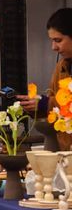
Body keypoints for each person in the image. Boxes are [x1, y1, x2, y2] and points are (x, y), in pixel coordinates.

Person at [17, 9, 72, 151]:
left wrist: (46, 104)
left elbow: (56, 103)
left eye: (58, 40)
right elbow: (54, 102)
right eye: (52, 41)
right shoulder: (62, 67)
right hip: (65, 150)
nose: (54, 47)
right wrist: (33, 106)